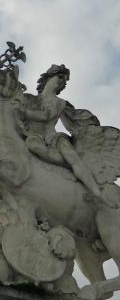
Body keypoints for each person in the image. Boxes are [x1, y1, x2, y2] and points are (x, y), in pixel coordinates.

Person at [19, 64, 116, 208]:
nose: (62, 81)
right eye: (60, 77)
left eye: (64, 80)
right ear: (48, 77)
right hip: (34, 138)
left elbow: (47, 116)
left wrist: (24, 111)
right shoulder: (29, 99)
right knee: (31, 144)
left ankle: (96, 192)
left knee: (74, 159)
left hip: (54, 139)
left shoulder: (60, 103)